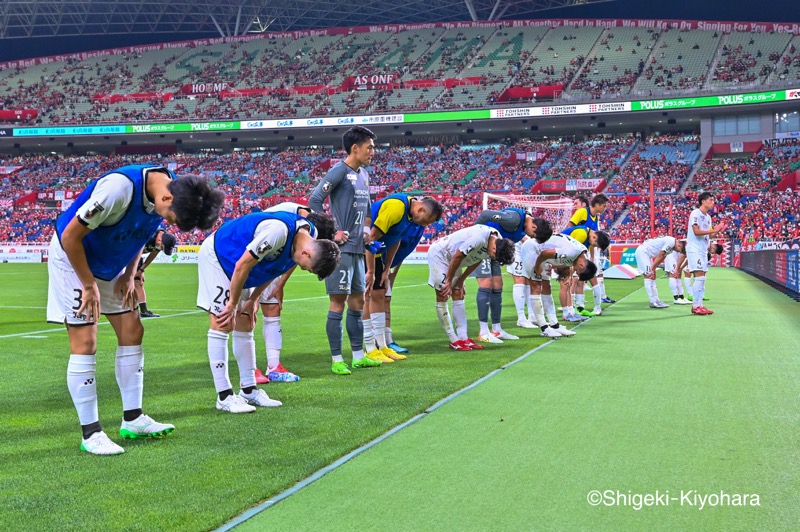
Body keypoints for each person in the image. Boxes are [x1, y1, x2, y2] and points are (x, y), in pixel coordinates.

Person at [47, 165, 223, 455]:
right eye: (170, 218)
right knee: (86, 340)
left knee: (132, 329)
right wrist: (89, 285)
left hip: (111, 263)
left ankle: (133, 419)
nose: (167, 221)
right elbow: (70, 236)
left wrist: (131, 274)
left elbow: (142, 234)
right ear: (166, 200)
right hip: (73, 258)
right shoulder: (117, 189)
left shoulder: (164, 191)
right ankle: (91, 434)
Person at [197, 210, 340, 413]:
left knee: (246, 320)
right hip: (220, 256)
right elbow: (242, 265)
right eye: (309, 268)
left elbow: (275, 268)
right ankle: (224, 396)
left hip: (242, 265)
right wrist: (232, 304)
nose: (305, 270)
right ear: (307, 253)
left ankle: (249, 390)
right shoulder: (277, 231)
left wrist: (254, 299)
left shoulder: (310, 236)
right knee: (223, 321)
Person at [309, 126, 382, 376]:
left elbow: (369, 208)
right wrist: (332, 232)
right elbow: (314, 201)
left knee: (358, 303)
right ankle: (336, 358)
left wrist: (367, 229)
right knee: (337, 304)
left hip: (358, 249)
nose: (373, 151)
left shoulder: (364, 175)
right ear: (355, 148)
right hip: (341, 250)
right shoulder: (339, 171)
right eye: (369, 147)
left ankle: (359, 356)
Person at [253, 202, 335, 384]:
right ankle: (249, 368)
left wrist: (281, 284)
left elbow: (294, 257)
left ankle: (274, 367)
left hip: (273, 260)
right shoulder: (285, 217)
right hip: (255, 255)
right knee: (246, 311)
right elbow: (293, 252)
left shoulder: (308, 229)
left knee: (273, 307)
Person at [363, 194, 443, 362]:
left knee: (379, 294)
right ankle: (369, 347)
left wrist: (386, 268)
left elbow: (395, 239)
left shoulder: (410, 216)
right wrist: (370, 271)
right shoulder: (396, 207)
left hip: (376, 254)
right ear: (420, 209)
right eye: (426, 221)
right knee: (365, 296)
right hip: (360, 250)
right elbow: (370, 238)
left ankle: (382, 346)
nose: (425, 225)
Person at [427, 225, 515, 350]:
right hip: (441, 254)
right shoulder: (479, 238)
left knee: (458, 292)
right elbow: (458, 256)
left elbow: (478, 259)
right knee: (443, 293)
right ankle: (453, 339)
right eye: (495, 257)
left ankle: (463, 338)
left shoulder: (498, 240)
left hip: (455, 258)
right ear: (494, 248)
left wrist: (461, 281)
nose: (493, 258)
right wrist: (449, 280)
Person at [472, 209, 553, 344]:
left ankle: (497, 329)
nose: (531, 237)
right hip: (483, 248)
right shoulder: (514, 220)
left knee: (497, 286)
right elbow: (486, 215)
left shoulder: (522, 226)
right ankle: (483, 332)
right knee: (486, 284)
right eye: (533, 235)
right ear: (534, 226)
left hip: (494, 251)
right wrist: (475, 239)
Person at [520, 233, 598, 338]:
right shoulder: (572, 252)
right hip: (532, 249)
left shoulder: (581, 255)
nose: (575, 271)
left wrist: (551, 266)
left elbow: (566, 262)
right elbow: (545, 253)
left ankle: (555, 325)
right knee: (536, 286)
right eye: (578, 271)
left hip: (541, 253)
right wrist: (538, 267)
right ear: (582, 265)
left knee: (547, 287)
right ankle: (544, 328)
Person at [686, 193, 727, 315]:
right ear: (703, 201)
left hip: (703, 250)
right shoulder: (695, 213)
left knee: (702, 278)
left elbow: (709, 235)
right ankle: (695, 306)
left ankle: (700, 305)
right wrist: (714, 230)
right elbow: (696, 231)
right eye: (710, 200)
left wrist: (717, 231)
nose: (713, 202)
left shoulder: (708, 217)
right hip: (695, 249)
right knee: (699, 277)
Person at [560, 224, 610, 319]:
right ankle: (568, 312)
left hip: (567, 257)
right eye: (595, 244)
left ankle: (577, 308)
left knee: (579, 281)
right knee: (567, 282)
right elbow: (571, 253)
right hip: (562, 256)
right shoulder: (582, 234)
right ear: (594, 237)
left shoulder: (588, 235)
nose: (593, 246)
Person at [133, 229, 176, 318]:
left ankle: (144, 311)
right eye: (163, 248)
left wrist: (141, 270)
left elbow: (153, 254)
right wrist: (135, 270)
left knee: (139, 282)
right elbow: (134, 250)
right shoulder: (148, 236)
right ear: (160, 240)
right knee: (126, 282)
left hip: (136, 256)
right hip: (126, 253)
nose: (161, 249)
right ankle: (129, 310)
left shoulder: (161, 241)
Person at [634, 236, 685, 308]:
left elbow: (663, 257)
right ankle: (652, 301)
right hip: (643, 252)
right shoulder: (671, 242)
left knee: (653, 276)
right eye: (679, 250)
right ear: (679, 245)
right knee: (649, 275)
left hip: (647, 254)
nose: (678, 252)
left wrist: (654, 268)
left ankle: (656, 300)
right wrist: (652, 268)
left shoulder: (671, 246)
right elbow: (661, 255)